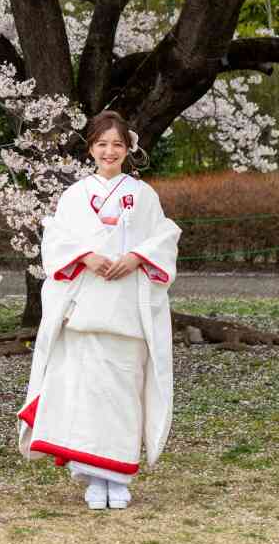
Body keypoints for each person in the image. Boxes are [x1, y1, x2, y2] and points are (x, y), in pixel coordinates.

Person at [18, 110, 180, 511]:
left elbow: (164, 236)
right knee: (84, 395)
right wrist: (86, 256)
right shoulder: (74, 195)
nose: (110, 151)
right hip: (84, 308)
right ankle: (91, 475)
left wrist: (138, 257)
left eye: (118, 144)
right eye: (102, 144)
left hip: (127, 308)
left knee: (123, 393)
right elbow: (56, 240)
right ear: (91, 147)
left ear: (129, 149)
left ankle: (119, 475)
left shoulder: (143, 195)